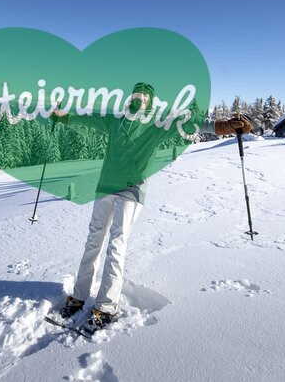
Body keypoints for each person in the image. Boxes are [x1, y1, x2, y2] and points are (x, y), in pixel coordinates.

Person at [52, 82, 252, 333]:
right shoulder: (116, 120)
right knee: (93, 241)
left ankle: (106, 307)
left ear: (151, 102)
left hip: (131, 191)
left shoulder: (158, 124)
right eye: (136, 96)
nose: (139, 101)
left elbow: (190, 123)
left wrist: (223, 126)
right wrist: (64, 116)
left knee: (116, 244)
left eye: (144, 98)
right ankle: (78, 297)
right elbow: (89, 119)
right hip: (105, 187)